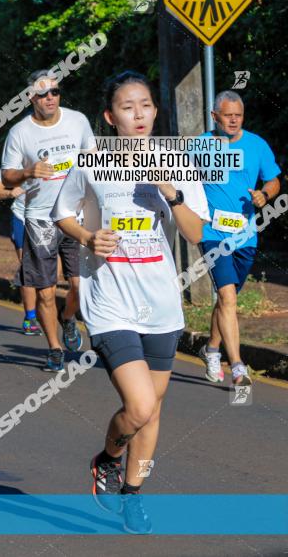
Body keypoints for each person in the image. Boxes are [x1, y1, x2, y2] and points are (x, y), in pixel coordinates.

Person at [53, 70, 209, 534]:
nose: (138, 114)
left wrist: (171, 192)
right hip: (109, 301)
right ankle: (108, 458)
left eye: (145, 105)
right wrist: (87, 235)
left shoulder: (175, 162)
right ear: (110, 116)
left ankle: (133, 495)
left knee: (154, 409)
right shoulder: (92, 161)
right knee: (139, 406)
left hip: (161, 302)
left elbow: (197, 233)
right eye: (127, 106)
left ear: (154, 111)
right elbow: (61, 212)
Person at [0, 70, 94, 372]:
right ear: (31, 98)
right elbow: (6, 175)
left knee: (81, 286)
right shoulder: (19, 132)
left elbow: (94, 162)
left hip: (76, 215)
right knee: (44, 289)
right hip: (40, 219)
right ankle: (54, 347)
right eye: (43, 94)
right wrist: (28, 172)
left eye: (55, 91)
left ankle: (68, 319)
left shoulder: (78, 121)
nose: (50, 97)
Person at [196, 91, 281, 386]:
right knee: (227, 296)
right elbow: (175, 174)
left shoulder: (257, 145)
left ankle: (211, 349)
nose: (233, 120)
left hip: (245, 236)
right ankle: (237, 366)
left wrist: (265, 194)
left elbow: (274, 178)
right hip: (211, 233)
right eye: (227, 115)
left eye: (238, 115)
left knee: (226, 301)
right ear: (214, 116)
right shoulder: (200, 146)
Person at [0, 169, 41, 335]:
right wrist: (10, 192)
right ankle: (30, 317)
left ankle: (59, 314)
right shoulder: (16, 160)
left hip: (51, 219)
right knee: (28, 266)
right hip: (21, 217)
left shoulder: (64, 156)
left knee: (51, 272)